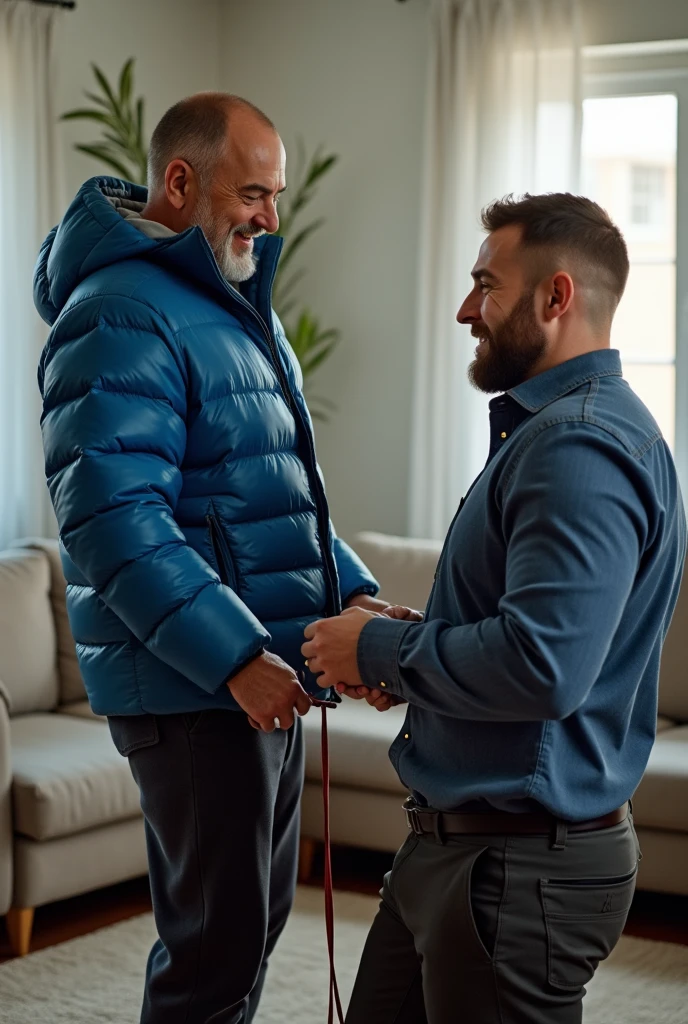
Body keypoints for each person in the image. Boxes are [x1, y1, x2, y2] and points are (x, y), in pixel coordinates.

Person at [34, 92, 394, 1024]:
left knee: (246, 934)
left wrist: (355, 597)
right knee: (212, 956)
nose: (272, 218)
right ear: (182, 182)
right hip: (197, 687)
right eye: (255, 193)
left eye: (276, 196)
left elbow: (275, 499)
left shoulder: (239, 310)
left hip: (252, 677)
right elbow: (115, 523)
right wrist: (235, 655)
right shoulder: (116, 310)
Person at [302, 193, 687, 1024]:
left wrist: (374, 654)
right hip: (460, 850)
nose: (464, 309)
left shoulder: (577, 446)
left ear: (556, 297)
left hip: (515, 871)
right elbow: (525, 632)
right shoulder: (557, 434)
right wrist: (410, 646)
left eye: (486, 284)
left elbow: (542, 666)